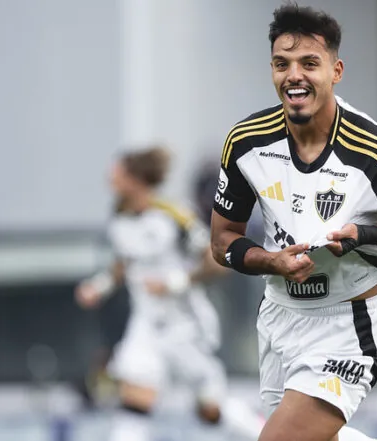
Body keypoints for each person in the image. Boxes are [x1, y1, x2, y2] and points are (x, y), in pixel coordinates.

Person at [210, 4, 377, 441]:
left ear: (335, 71)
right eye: (282, 64)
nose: (294, 76)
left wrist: (366, 235)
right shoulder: (246, 142)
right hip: (279, 316)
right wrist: (272, 261)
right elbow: (222, 240)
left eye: (309, 63)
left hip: (348, 323)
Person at [76, 146, 264, 441]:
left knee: (210, 410)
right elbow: (124, 263)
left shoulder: (172, 216)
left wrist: (174, 283)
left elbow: (217, 262)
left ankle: (267, 434)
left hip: (185, 326)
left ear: (135, 178)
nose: (110, 177)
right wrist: (99, 286)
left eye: (117, 172)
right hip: (146, 326)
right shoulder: (119, 219)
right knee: (133, 403)